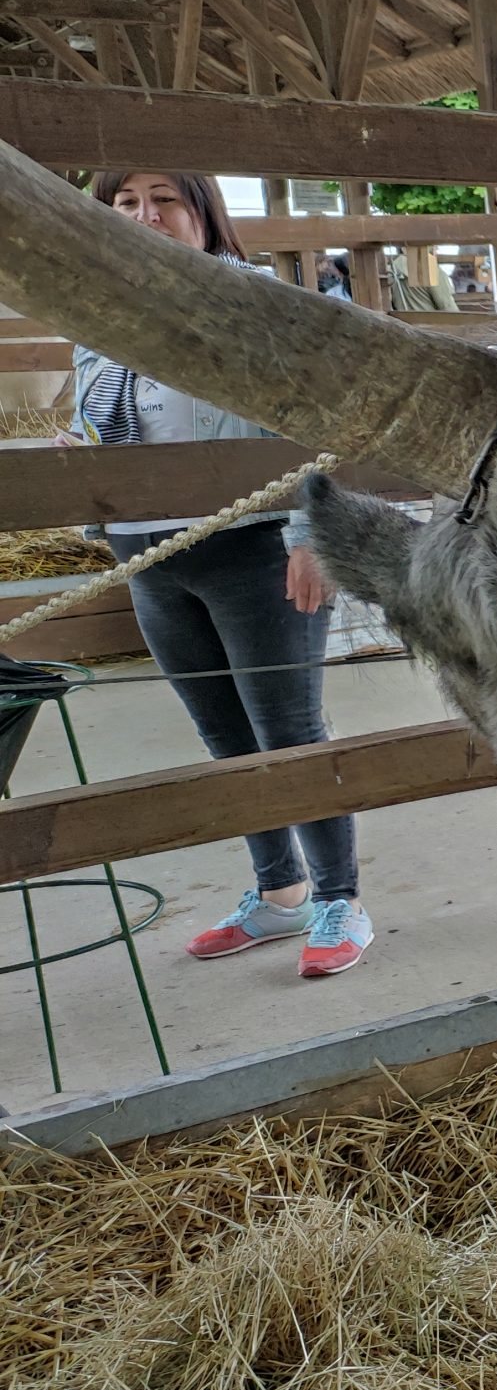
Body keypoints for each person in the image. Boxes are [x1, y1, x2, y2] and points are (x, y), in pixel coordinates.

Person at [61, 171, 374, 977]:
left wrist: (313, 533)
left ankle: (341, 899)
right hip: (152, 555)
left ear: (203, 212)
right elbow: (92, 425)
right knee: (224, 734)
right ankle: (278, 894)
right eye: (126, 204)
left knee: (289, 728)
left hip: (253, 545)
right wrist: (83, 476)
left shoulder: (259, 305)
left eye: (164, 198)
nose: (145, 216)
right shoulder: (96, 316)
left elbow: (322, 419)